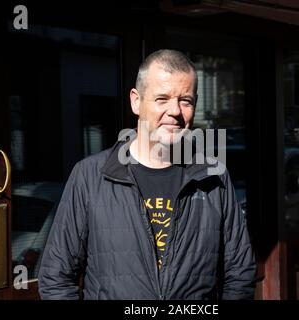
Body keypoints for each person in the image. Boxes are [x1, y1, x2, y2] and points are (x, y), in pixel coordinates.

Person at [38, 49, 256, 300]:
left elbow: (240, 273)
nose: (175, 111)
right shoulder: (90, 176)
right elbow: (56, 276)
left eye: (186, 100)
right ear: (136, 101)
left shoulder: (214, 178)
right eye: (162, 99)